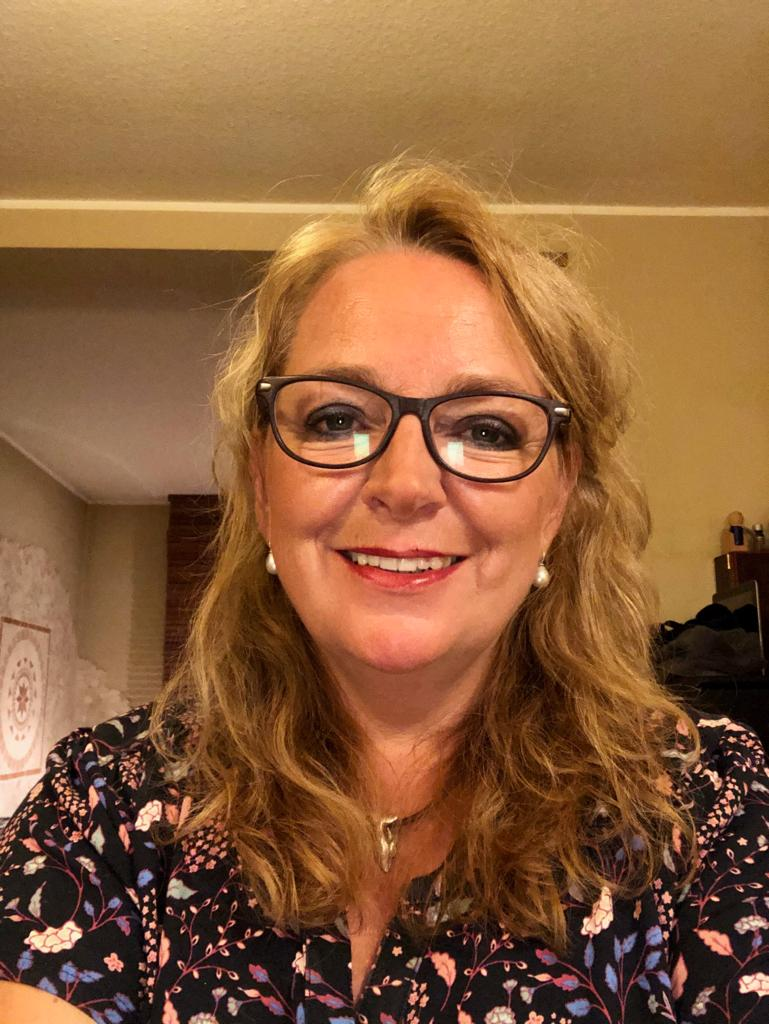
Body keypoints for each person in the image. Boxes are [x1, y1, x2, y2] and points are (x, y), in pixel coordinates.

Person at [1, 160, 768, 1024]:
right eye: (336, 419)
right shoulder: (100, 802)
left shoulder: (706, 808)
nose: (404, 485)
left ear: (557, 498)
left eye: (486, 429)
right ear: (261, 482)